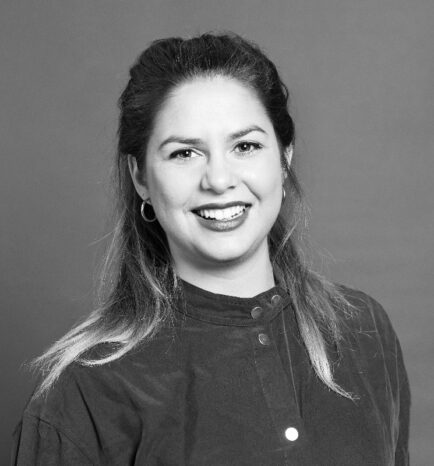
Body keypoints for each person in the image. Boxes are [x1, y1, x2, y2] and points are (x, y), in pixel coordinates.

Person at [11, 33, 410, 465]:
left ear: (284, 158)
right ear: (141, 177)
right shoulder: (84, 393)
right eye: (185, 153)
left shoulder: (365, 331)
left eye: (245, 146)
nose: (219, 180)